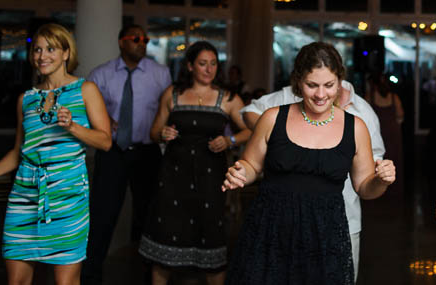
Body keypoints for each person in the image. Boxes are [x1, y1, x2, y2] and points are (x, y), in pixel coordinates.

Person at [225, 42, 394, 284]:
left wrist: (380, 180)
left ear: (340, 81)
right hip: (272, 231)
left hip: (326, 237)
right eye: (311, 85)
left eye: (329, 85)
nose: (321, 94)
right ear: (297, 81)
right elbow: (251, 165)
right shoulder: (272, 118)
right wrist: (241, 172)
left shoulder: (356, 127)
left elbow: (365, 188)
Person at [0, 23, 112, 285]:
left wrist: (73, 127)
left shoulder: (85, 90)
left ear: (66, 53)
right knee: (17, 281)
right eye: (37, 50)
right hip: (25, 195)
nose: (42, 56)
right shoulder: (26, 99)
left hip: (67, 197)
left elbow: (106, 141)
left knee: (65, 282)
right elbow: (19, 151)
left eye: (50, 49)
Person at [138, 41, 250, 284]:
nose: (209, 69)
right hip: (172, 179)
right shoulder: (173, 94)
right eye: (202, 64)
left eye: (213, 64)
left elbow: (252, 130)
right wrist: (163, 134)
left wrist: (229, 140)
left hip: (210, 180)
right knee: (165, 244)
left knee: (211, 242)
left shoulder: (228, 98)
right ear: (189, 66)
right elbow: (154, 130)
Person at [82, 25, 172, 285]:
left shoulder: (160, 73)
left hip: (147, 153)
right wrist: (105, 119)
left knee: (148, 216)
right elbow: (86, 109)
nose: (142, 43)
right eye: (135, 39)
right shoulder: (101, 74)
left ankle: (149, 276)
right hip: (112, 153)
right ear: (121, 42)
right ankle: (90, 276)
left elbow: (167, 111)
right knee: (103, 215)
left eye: (145, 39)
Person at [368, 72, 404, 197]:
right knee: (392, 161)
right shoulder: (394, 98)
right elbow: (400, 115)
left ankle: (378, 189)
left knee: (379, 160)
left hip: (378, 132)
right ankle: (392, 190)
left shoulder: (370, 96)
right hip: (392, 133)